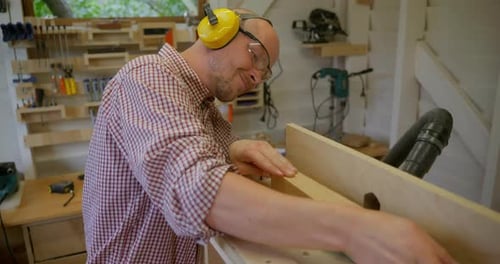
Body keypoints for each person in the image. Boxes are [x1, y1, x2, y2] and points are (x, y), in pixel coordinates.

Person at [82, 6, 456, 264]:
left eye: (265, 71)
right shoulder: (147, 78)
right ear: (219, 30)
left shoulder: (204, 110)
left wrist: (231, 149)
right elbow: (196, 189)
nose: (257, 77)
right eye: (258, 57)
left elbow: (189, 153)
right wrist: (356, 230)